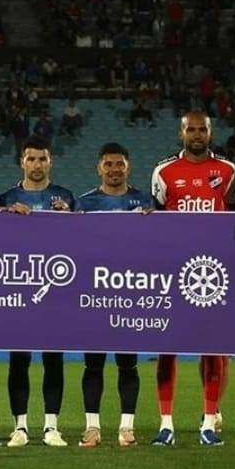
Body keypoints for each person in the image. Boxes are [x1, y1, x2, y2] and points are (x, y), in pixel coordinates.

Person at [150, 111, 235, 447]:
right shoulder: (163, 172)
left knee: (212, 350)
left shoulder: (228, 171)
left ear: (210, 132)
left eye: (203, 129)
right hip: (173, 274)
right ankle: (166, 424)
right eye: (191, 129)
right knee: (166, 350)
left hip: (211, 274)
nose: (197, 134)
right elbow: (155, 221)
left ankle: (208, 421)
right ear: (182, 133)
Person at [0, 135, 77, 447]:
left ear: (50, 162)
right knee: (19, 359)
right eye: (31, 159)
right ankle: (20, 427)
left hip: (56, 291)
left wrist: (68, 219)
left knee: (53, 359)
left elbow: (82, 240)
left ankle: (51, 427)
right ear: (22, 162)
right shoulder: (6, 198)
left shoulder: (66, 197)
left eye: (42, 159)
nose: (37, 164)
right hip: (17, 290)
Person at [75, 143, 153, 447]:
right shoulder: (84, 204)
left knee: (127, 364)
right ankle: (92, 427)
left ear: (128, 167)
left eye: (119, 164)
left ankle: (126, 428)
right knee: (93, 364)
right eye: (108, 164)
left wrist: (155, 220)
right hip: (94, 295)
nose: (114, 169)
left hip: (130, 294)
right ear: (99, 168)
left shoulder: (143, 202)